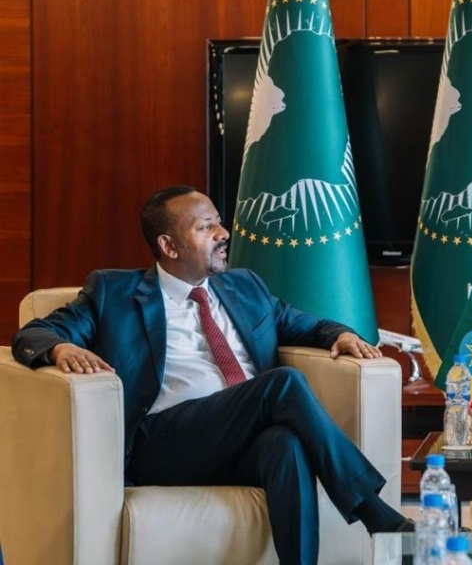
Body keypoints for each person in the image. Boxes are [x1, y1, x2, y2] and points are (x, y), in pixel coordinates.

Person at [12, 186, 413, 565]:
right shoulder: (113, 292)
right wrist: (61, 348)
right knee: (282, 383)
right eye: (206, 227)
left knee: (285, 444)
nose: (223, 234)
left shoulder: (245, 286)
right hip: (163, 443)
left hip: (239, 439)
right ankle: (374, 511)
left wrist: (341, 335)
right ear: (169, 246)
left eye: (219, 221)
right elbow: (33, 335)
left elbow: (309, 326)